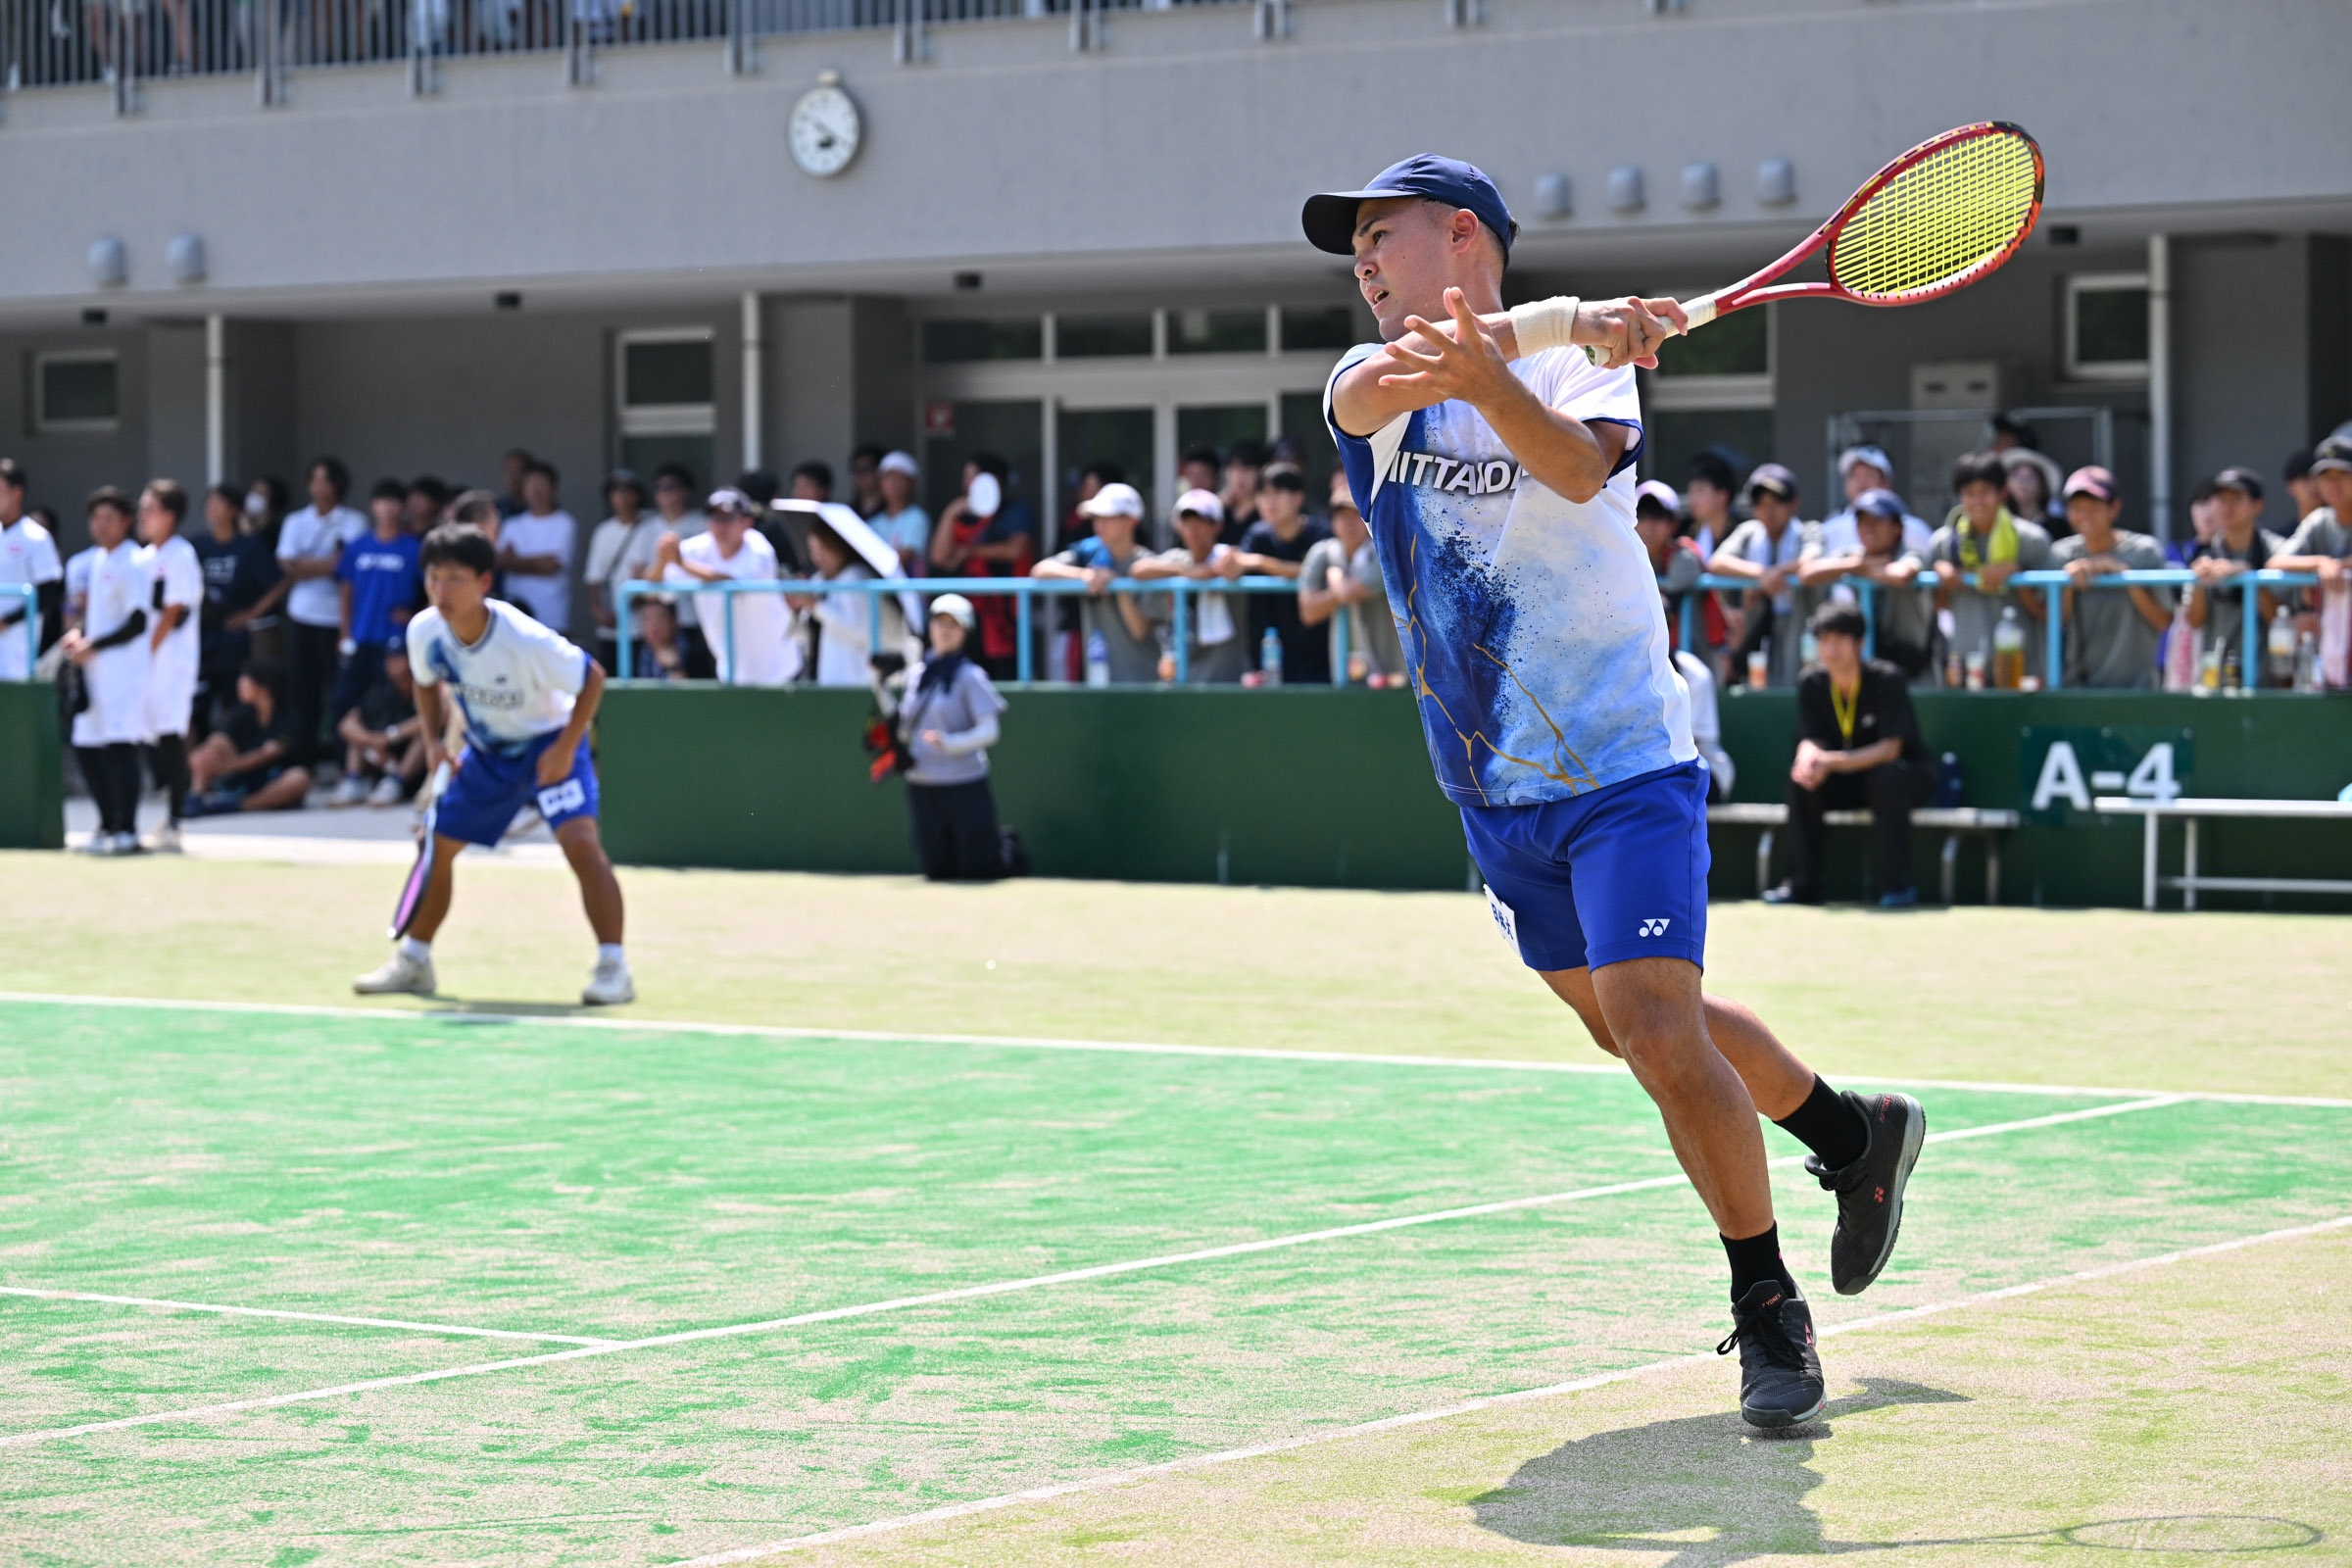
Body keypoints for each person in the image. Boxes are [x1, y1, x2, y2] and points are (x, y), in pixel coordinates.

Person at [1310, 152, 1920, 1430]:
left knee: (1654, 1025)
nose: (1360, 259)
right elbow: (1385, 384)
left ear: (1461, 233)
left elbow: (1578, 473)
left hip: (1625, 760)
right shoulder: (1367, 378)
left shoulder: (1587, 370)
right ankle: (1852, 1136)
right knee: (1634, 1032)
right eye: (1351, 243)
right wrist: (1556, 322)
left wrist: (1547, 348)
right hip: (1491, 783)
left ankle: (1768, 1305)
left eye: (1380, 231)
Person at [353, 522, 632, 1006]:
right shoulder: (425, 630)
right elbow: (425, 681)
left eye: (455, 578)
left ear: (484, 582)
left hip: (550, 742)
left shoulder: (524, 638)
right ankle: (415, 961)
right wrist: (433, 742)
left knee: (582, 845)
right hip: (487, 752)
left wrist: (566, 748)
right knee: (433, 846)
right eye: (434, 578)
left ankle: (614, 968)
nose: (442, 591)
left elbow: (593, 677)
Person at [1764, 603, 1935, 908]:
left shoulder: (1888, 679)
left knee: (1886, 779)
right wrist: (1807, 761)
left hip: (1899, 778)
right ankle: (1801, 885)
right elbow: (1809, 738)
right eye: (1824, 640)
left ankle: (1897, 887)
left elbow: (1891, 750)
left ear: (1859, 644)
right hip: (1844, 780)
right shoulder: (1811, 682)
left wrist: (1829, 762)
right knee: (1801, 783)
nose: (1831, 649)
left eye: (1839, 640)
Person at [62, 488, 154, 855]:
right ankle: (106, 824)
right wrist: (78, 634)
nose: (101, 526)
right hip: (93, 671)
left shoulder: (134, 561)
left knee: (120, 747)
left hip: (123, 673)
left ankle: (128, 829)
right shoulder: (97, 560)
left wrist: (93, 645)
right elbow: (97, 616)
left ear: (126, 522)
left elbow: (137, 621)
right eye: (95, 518)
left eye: (109, 518)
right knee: (86, 746)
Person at [898, 593, 1013, 881]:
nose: (945, 631)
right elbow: (904, 728)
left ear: (966, 632)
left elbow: (990, 731)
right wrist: (879, 686)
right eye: (940, 623)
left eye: (954, 625)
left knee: (978, 868)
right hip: (922, 783)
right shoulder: (917, 675)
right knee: (936, 869)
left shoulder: (971, 676)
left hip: (965, 783)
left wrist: (951, 744)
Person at [326, 479, 424, 799]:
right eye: (382, 501)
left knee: (392, 705)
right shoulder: (358, 546)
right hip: (361, 638)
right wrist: (344, 632)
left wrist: (414, 615)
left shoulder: (413, 548)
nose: (388, 508)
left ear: (403, 508)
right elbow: (346, 590)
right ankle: (349, 773)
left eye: (394, 502)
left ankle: (393, 774)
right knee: (347, 703)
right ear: (373, 507)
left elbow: (431, 590)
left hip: (395, 643)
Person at [1929, 451, 2052, 685]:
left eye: (1984, 492)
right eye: (1969, 493)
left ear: (2002, 493)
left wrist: (2017, 576)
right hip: (1964, 675)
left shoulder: (2032, 540)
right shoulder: (1942, 545)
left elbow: (2049, 614)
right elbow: (1938, 607)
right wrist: (1942, 578)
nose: (1977, 502)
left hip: (2022, 675)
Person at [275, 457, 368, 766]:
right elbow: (286, 563)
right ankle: (303, 762)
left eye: (325, 480)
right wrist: (327, 565)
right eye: (314, 480)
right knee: (303, 692)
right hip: (301, 614)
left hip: (337, 618)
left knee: (339, 692)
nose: (319, 487)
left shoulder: (354, 521)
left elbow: (346, 566)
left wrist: (307, 565)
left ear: (338, 484)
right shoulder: (295, 521)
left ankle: (343, 763)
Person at [654, 488, 797, 686]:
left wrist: (680, 562)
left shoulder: (759, 549)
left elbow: (734, 583)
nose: (719, 525)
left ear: (747, 522)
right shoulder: (697, 547)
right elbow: (655, 587)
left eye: (727, 518)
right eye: (714, 518)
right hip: (730, 669)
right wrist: (663, 558)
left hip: (779, 669)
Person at [2050, 466, 2170, 689]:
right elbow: (2055, 624)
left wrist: (2126, 577)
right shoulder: (2061, 554)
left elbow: (2163, 621)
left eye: (2093, 507)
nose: (2084, 515)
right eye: (2077, 508)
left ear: (2114, 508)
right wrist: (2068, 583)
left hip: (2137, 688)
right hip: (2078, 687)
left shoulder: (2145, 551)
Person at [1032, 481, 1163, 684]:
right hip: (1099, 684)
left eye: (1108, 517)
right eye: (1096, 517)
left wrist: (1118, 587)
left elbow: (1139, 631)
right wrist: (1085, 575)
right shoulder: (1088, 555)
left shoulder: (1148, 565)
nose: (1099, 525)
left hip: (1144, 684)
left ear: (1131, 521)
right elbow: (1040, 570)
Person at [1797, 488, 1935, 681]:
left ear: (1897, 528)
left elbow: (1902, 574)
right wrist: (1854, 565)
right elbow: (1807, 574)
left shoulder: (1909, 552)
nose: (1868, 528)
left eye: (1877, 520)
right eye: (1862, 521)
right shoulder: (1855, 558)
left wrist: (1864, 569)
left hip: (1912, 666)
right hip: (1869, 666)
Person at [136, 479, 205, 851]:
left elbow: (173, 611)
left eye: (150, 509)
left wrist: (144, 652)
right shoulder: (143, 557)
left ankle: (177, 821)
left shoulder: (181, 555)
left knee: (170, 736)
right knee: (148, 737)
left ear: (170, 515)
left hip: (171, 663)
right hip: (145, 664)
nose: (142, 516)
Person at [1708, 464, 1816, 687]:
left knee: (1800, 685)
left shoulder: (1808, 530)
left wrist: (1776, 573)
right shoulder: (1748, 531)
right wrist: (1762, 576)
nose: (1769, 510)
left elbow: (1810, 561)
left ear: (1794, 503)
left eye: (1776, 501)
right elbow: (1717, 562)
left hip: (1798, 626)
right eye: (1761, 502)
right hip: (1755, 629)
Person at [930, 456, 1035, 681]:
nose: (968, 484)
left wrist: (970, 552)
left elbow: (1015, 550)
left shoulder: (1015, 510)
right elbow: (939, 557)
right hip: (969, 617)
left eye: (974, 476)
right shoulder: (962, 515)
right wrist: (950, 512)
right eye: (966, 477)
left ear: (994, 479)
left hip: (1006, 617)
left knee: (1005, 679)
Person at [2184, 466, 2286, 683]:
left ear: (2257, 506)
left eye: (2236, 498)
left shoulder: (2279, 551)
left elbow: (2279, 617)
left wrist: (2248, 577)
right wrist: (2200, 581)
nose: (2227, 506)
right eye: (2221, 498)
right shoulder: (2205, 553)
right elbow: (2194, 621)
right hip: (2215, 678)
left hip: (2266, 680)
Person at [1232, 462, 1333, 683]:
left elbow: (1317, 574)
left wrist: (1262, 562)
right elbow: (1236, 565)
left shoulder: (1320, 532)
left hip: (1320, 657)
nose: (1269, 501)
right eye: (1263, 494)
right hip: (1268, 657)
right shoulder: (1257, 535)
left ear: (1298, 498)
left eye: (1277, 493)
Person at [1134, 489, 1248, 683]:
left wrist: (1212, 571)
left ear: (1217, 526)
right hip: (1184, 675)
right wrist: (1189, 571)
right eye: (1187, 522)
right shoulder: (1177, 558)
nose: (1193, 529)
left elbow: (1235, 565)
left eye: (1201, 522)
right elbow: (1138, 570)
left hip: (1226, 677)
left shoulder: (1227, 556)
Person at [191, 482, 278, 736]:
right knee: (198, 704)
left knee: (234, 700)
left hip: (234, 638)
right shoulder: (197, 545)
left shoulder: (250, 547)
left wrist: (251, 613)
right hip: (200, 636)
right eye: (209, 503)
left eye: (218, 503)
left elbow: (278, 582)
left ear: (234, 509)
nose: (211, 508)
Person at [1299, 474, 1404, 681]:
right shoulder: (1322, 551)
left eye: (1356, 514)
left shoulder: (1385, 551)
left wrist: (1335, 575)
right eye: (1342, 515)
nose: (1349, 523)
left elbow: (1347, 593)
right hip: (1344, 672)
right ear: (1332, 521)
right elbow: (1308, 612)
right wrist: (1339, 590)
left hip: (1393, 671)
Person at [185, 660, 314, 815]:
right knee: (215, 743)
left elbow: (271, 754)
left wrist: (226, 767)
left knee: (299, 778)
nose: (240, 685)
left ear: (263, 686)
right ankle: (196, 795)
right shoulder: (241, 715)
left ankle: (239, 806)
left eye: (245, 680)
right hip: (240, 778)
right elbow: (209, 751)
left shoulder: (289, 718)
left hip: (272, 778)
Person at [632, 465, 713, 677]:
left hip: (698, 618)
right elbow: (640, 577)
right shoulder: (646, 529)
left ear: (686, 491)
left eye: (672, 487)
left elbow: (716, 571)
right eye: (660, 488)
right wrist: (664, 558)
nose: (666, 494)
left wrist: (678, 559)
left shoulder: (703, 524)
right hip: (661, 624)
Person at [794, 515, 890, 687]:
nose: (817, 557)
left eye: (823, 548)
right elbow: (800, 636)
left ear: (839, 546)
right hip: (820, 680)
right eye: (813, 549)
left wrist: (816, 605)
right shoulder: (818, 580)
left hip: (852, 681)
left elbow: (858, 630)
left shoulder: (856, 577)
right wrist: (795, 607)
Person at [582, 469, 658, 674]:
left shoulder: (651, 528)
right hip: (610, 626)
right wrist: (598, 611)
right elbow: (594, 577)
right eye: (616, 490)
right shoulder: (603, 532)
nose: (622, 496)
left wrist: (634, 599)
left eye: (628, 490)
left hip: (643, 626)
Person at [334, 645, 426, 806]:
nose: (392, 664)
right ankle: (353, 781)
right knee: (357, 734)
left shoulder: (425, 687)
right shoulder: (380, 691)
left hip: (416, 767)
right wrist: (372, 741)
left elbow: (440, 715)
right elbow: (346, 725)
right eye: (389, 659)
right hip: (383, 758)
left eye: (398, 658)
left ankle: (396, 782)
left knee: (425, 734)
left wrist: (390, 736)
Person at [0, 460, 64, 685]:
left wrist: (6, 621)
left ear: (17, 493)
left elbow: (48, 594)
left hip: (18, 647)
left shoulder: (37, 537)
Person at [498, 460, 577, 632]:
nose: (535, 490)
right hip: (515, 616)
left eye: (541, 484)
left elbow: (551, 566)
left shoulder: (565, 523)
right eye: (530, 484)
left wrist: (514, 561)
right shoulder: (512, 524)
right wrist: (536, 562)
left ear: (554, 488)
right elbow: (500, 561)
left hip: (552, 615)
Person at [1818, 445, 1932, 559]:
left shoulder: (1916, 530)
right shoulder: (1829, 529)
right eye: (1855, 476)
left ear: (1886, 483)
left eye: (1870, 475)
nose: (1861, 483)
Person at [872, 452, 932, 580]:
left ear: (911, 483)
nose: (893, 483)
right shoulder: (874, 522)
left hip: (908, 590)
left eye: (899, 478)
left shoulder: (917, 517)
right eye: (888, 477)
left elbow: (899, 561)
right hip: (878, 588)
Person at [2000, 446, 2070, 540]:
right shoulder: (1998, 524)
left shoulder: (2058, 526)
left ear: (2042, 485)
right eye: (2016, 475)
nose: (2022, 482)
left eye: (2031, 477)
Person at [1217, 440, 1266, 545]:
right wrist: (1216, 505)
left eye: (1247, 469)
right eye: (1235, 469)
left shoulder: (1267, 512)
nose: (1240, 476)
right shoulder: (1220, 509)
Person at [2282, 448, 2322, 524]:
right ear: (2290, 487)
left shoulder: (2344, 529)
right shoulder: (2288, 533)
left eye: (2317, 478)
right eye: (2305, 479)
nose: (2313, 485)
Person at [847, 444, 886, 519]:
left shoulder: (891, 511)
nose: (859, 475)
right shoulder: (848, 512)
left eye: (865, 469)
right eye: (855, 470)